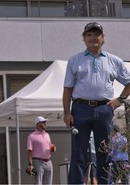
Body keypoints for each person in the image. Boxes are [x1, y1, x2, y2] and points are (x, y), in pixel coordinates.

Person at [63, 22, 130, 184]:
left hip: (104, 109)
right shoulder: (74, 60)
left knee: (104, 151)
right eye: (89, 35)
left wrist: (120, 100)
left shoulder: (114, 61)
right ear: (84, 39)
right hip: (80, 108)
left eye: (96, 34)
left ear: (103, 38)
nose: (93, 38)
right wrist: (67, 112)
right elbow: (67, 89)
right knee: (78, 152)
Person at [27, 116, 56, 185]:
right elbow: (29, 151)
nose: (45, 124)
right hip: (38, 162)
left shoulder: (47, 135)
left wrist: (53, 148)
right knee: (38, 182)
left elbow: (50, 146)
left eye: (45, 122)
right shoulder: (31, 136)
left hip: (49, 161)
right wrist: (30, 164)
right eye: (43, 122)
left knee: (49, 183)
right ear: (38, 124)